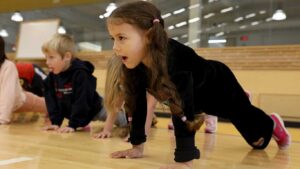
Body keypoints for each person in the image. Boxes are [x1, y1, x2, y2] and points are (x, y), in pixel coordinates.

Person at [105, 1, 291, 169]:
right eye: (113, 39)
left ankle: (271, 122)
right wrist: (137, 146)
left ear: (149, 36)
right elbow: (137, 105)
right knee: (241, 122)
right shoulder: (132, 65)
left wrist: (184, 160)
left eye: (121, 38)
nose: (115, 47)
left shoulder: (174, 59)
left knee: (257, 139)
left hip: (219, 86)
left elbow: (182, 110)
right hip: (196, 99)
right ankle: (246, 103)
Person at [42, 34, 128, 133]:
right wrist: (55, 123)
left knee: (123, 122)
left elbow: (82, 100)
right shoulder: (51, 78)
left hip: (96, 109)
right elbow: (52, 102)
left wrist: (73, 124)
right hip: (78, 113)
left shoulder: (81, 74)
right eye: (46, 58)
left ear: (67, 56)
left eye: (51, 57)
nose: (47, 62)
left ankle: (142, 120)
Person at [93, 55, 157, 139]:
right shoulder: (122, 84)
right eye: (119, 83)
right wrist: (107, 130)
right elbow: (115, 106)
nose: (122, 85)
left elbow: (150, 106)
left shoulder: (146, 76)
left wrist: (139, 136)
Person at [0, 36, 47, 124]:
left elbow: (8, 95)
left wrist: (3, 118)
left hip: (19, 99)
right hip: (13, 99)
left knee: (50, 105)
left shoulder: (7, 66)